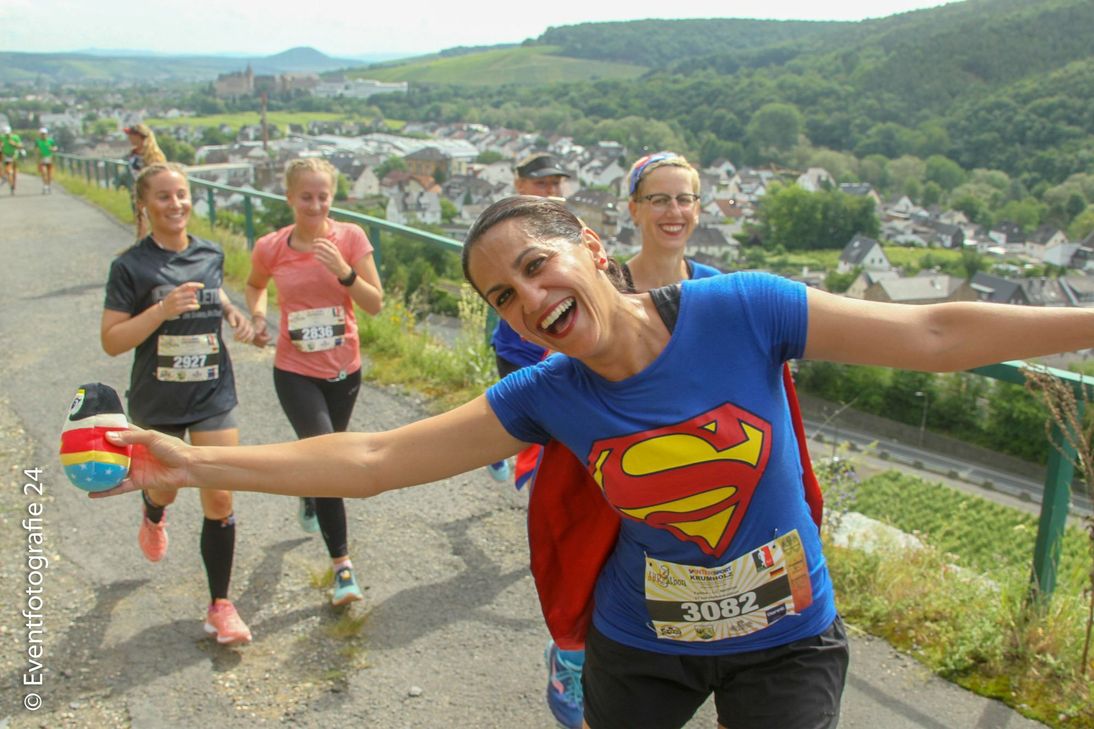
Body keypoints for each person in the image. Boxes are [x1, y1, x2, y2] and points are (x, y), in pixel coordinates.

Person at [100, 195, 1094, 728]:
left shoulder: (740, 309)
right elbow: (370, 457)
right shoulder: (546, 396)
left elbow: (927, 331)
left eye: (534, 266)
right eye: (501, 298)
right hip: (638, 654)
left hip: (788, 640)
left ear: (586, 248)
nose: (526, 300)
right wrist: (186, 462)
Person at [541, 150, 723, 728]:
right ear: (634, 210)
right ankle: (575, 658)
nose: (674, 212)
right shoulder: (602, 284)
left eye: (685, 199)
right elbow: (562, 371)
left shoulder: (718, 290)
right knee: (595, 577)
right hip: (610, 469)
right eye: (660, 199)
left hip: (689, 469)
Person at [101, 162, 255, 645]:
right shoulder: (130, 266)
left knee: (220, 494)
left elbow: (212, 289)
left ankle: (220, 606)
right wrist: (161, 310)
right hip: (158, 399)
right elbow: (112, 340)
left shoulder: (210, 252)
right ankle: (153, 512)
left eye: (182, 195)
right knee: (166, 489)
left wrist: (230, 309)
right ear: (144, 204)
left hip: (211, 393)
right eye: (164, 197)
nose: (176, 205)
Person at [245, 157, 383, 607]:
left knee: (326, 453)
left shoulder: (351, 238)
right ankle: (342, 566)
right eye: (306, 196)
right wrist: (257, 315)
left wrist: (344, 271)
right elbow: (254, 284)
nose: (316, 204)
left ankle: (309, 490)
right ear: (289, 198)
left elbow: (375, 303)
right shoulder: (270, 246)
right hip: (294, 370)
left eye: (324, 196)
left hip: (344, 368)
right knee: (330, 462)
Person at [485, 152, 571, 484]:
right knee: (527, 421)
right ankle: (498, 451)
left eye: (555, 182)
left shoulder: (566, 226)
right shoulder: (502, 230)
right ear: (519, 184)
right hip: (517, 348)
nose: (550, 190)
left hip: (561, 346)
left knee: (546, 428)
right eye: (541, 183)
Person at [123, 123, 167, 240]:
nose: (129, 138)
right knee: (140, 220)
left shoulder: (153, 155)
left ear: (139, 136)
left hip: (151, 191)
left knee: (152, 220)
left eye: (131, 135)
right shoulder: (133, 153)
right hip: (138, 191)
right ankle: (141, 244)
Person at [1, 125, 24, 195]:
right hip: (6, 156)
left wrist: (14, 144)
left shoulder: (15, 137)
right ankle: (8, 180)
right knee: (8, 170)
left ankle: (13, 186)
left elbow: (21, 146)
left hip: (14, 156)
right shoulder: (1, 137)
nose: (7, 135)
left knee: (14, 173)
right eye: (6, 134)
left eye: (8, 134)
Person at [35, 127, 58, 194]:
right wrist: (38, 153)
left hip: (49, 158)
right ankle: (45, 185)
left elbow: (55, 147)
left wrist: (53, 149)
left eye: (44, 134)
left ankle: (49, 185)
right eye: (42, 134)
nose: (43, 135)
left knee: (50, 174)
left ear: (46, 134)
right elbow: (36, 149)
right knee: (44, 173)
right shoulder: (38, 141)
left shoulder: (50, 141)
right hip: (42, 159)